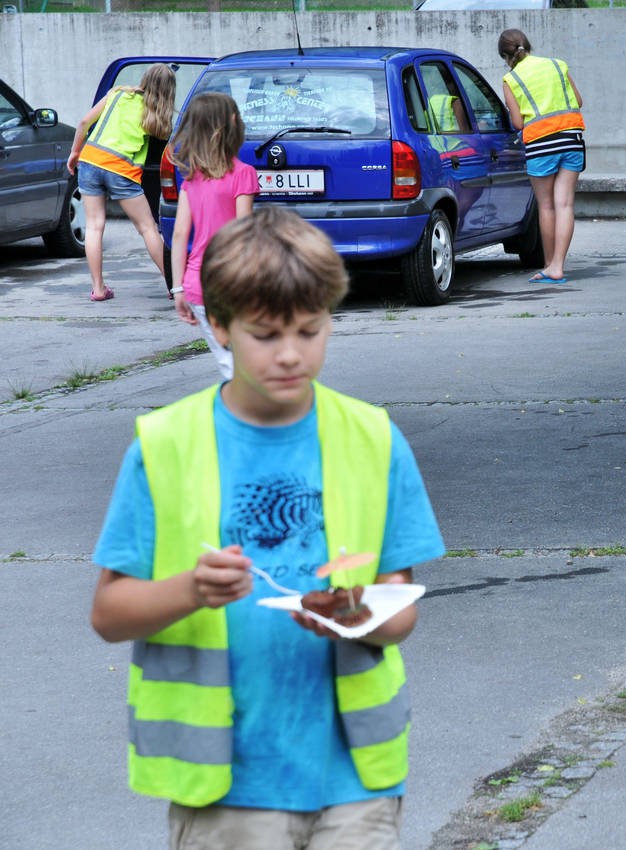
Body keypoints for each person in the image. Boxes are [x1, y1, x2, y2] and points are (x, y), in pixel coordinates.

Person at [89, 205, 445, 849]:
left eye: (310, 330)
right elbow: (110, 615)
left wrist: (357, 613)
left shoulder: (372, 437)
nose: (290, 354)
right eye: (266, 334)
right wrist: (190, 589)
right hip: (225, 789)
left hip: (356, 780)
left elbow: (401, 612)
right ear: (219, 326)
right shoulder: (165, 444)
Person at [168, 92, 259, 380]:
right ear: (232, 122)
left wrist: (178, 289)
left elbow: (180, 234)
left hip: (197, 284)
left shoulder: (190, 177)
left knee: (229, 362)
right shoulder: (243, 174)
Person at [67, 63, 175, 302]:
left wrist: (75, 152)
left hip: (90, 161)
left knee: (94, 227)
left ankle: (98, 289)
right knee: (147, 228)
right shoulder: (156, 115)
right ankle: (172, 286)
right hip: (121, 170)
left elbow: (84, 122)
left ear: (145, 79)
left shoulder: (117, 93)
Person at [499, 28, 585, 284]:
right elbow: (578, 101)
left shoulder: (511, 79)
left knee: (546, 206)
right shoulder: (558, 65)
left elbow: (517, 123)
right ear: (528, 46)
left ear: (505, 56)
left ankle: (550, 266)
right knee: (565, 205)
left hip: (540, 144)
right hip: (571, 138)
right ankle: (558, 264)